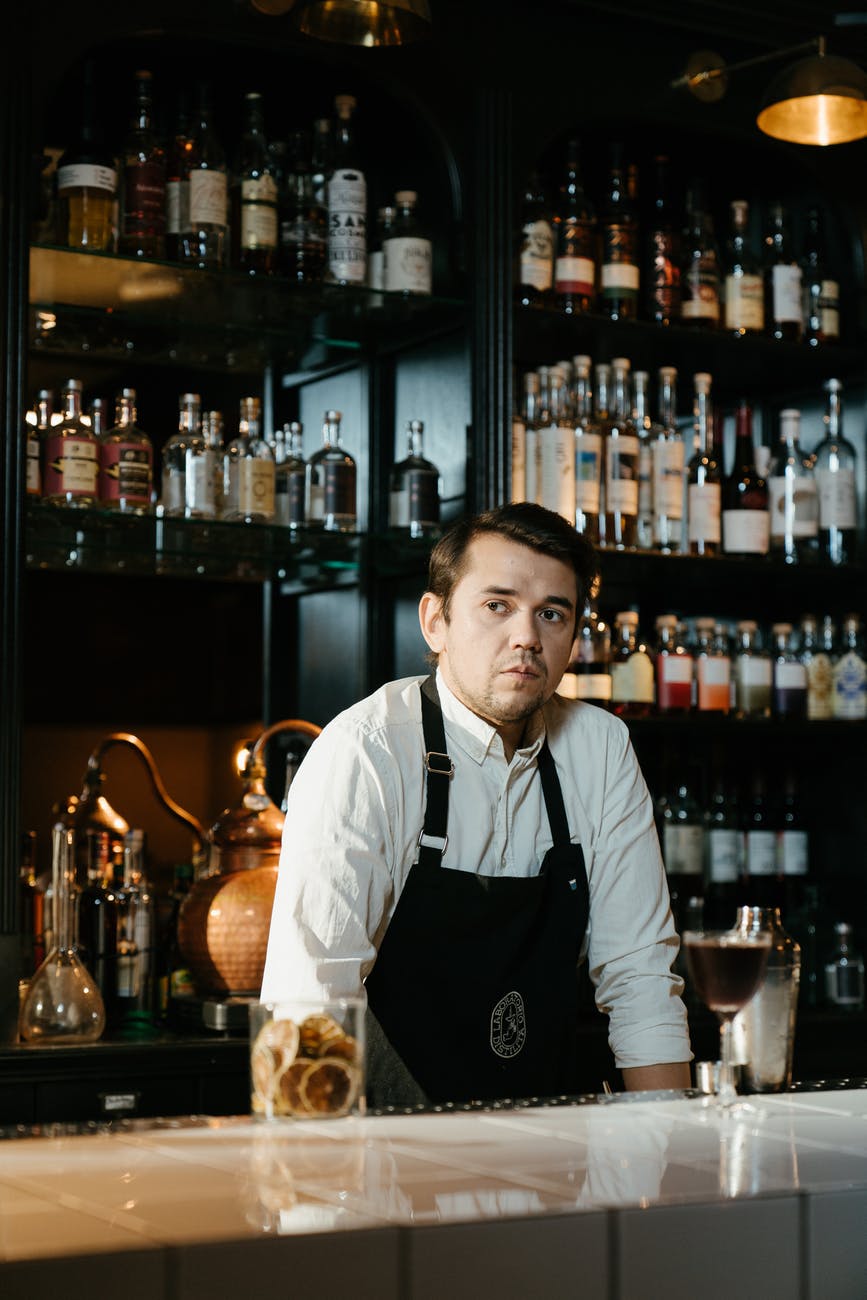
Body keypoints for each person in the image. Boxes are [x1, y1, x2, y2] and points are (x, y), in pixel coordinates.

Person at [262, 501, 692, 1105]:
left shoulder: (600, 748)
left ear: (572, 638)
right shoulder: (367, 751)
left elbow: (640, 975)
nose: (526, 637)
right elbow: (309, 1009)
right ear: (435, 621)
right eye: (498, 606)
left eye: (551, 614)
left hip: (547, 1148)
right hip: (387, 1167)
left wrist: (671, 1152)